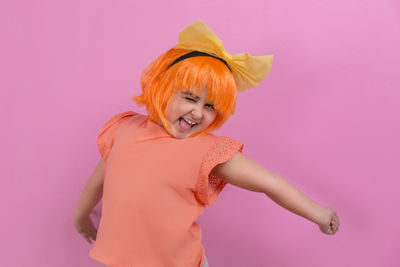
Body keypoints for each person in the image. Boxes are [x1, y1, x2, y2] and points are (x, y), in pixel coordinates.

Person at [73, 20, 340, 267]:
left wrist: (319, 213)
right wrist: (81, 217)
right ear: (164, 89)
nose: (198, 113)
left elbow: (270, 184)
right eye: (190, 98)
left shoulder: (209, 151)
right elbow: (99, 180)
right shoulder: (124, 128)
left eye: (210, 106)